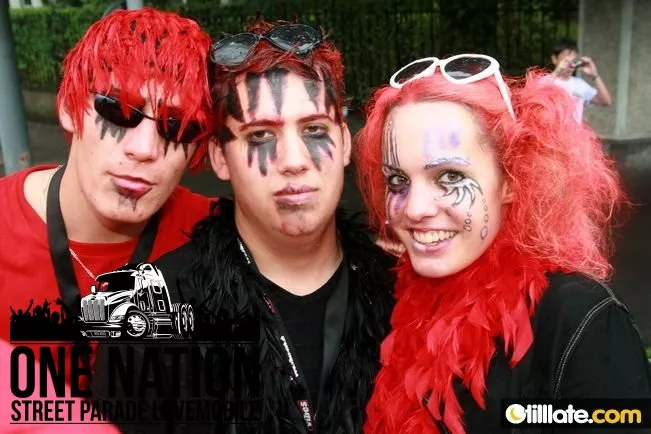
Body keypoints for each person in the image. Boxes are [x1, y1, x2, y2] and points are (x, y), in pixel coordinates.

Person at [92, 19, 396, 434]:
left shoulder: (403, 293)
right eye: (260, 136)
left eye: (314, 130)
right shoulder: (146, 317)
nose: (293, 161)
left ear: (344, 141)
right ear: (219, 156)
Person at [354, 55, 651, 433]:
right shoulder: (396, 301)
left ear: (512, 178)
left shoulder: (579, 318)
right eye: (398, 181)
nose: (414, 209)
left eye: (449, 176)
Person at [0, 8, 215, 375]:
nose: (144, 149)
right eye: (118, 109)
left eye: (177, 126)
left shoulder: (218, 234)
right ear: (69, 108)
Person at [548, 37, 612, 123]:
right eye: (565, 61)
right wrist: (557, 72)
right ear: (554, 59)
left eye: (573, 61)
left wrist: (594, 75)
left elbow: (606, 101)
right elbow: (535, 92)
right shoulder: (547, 80)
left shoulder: (579, 84)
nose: (569, 65)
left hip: (573, 131)